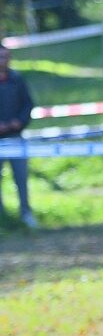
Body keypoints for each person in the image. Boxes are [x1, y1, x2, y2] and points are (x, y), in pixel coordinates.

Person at [0, 44, 37, 228]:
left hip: (16, 137)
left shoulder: (17, 79)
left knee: (21, 178)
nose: (3, 61)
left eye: (6, 57)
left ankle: (26, 213)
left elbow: (28, 105)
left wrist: (19, 121)